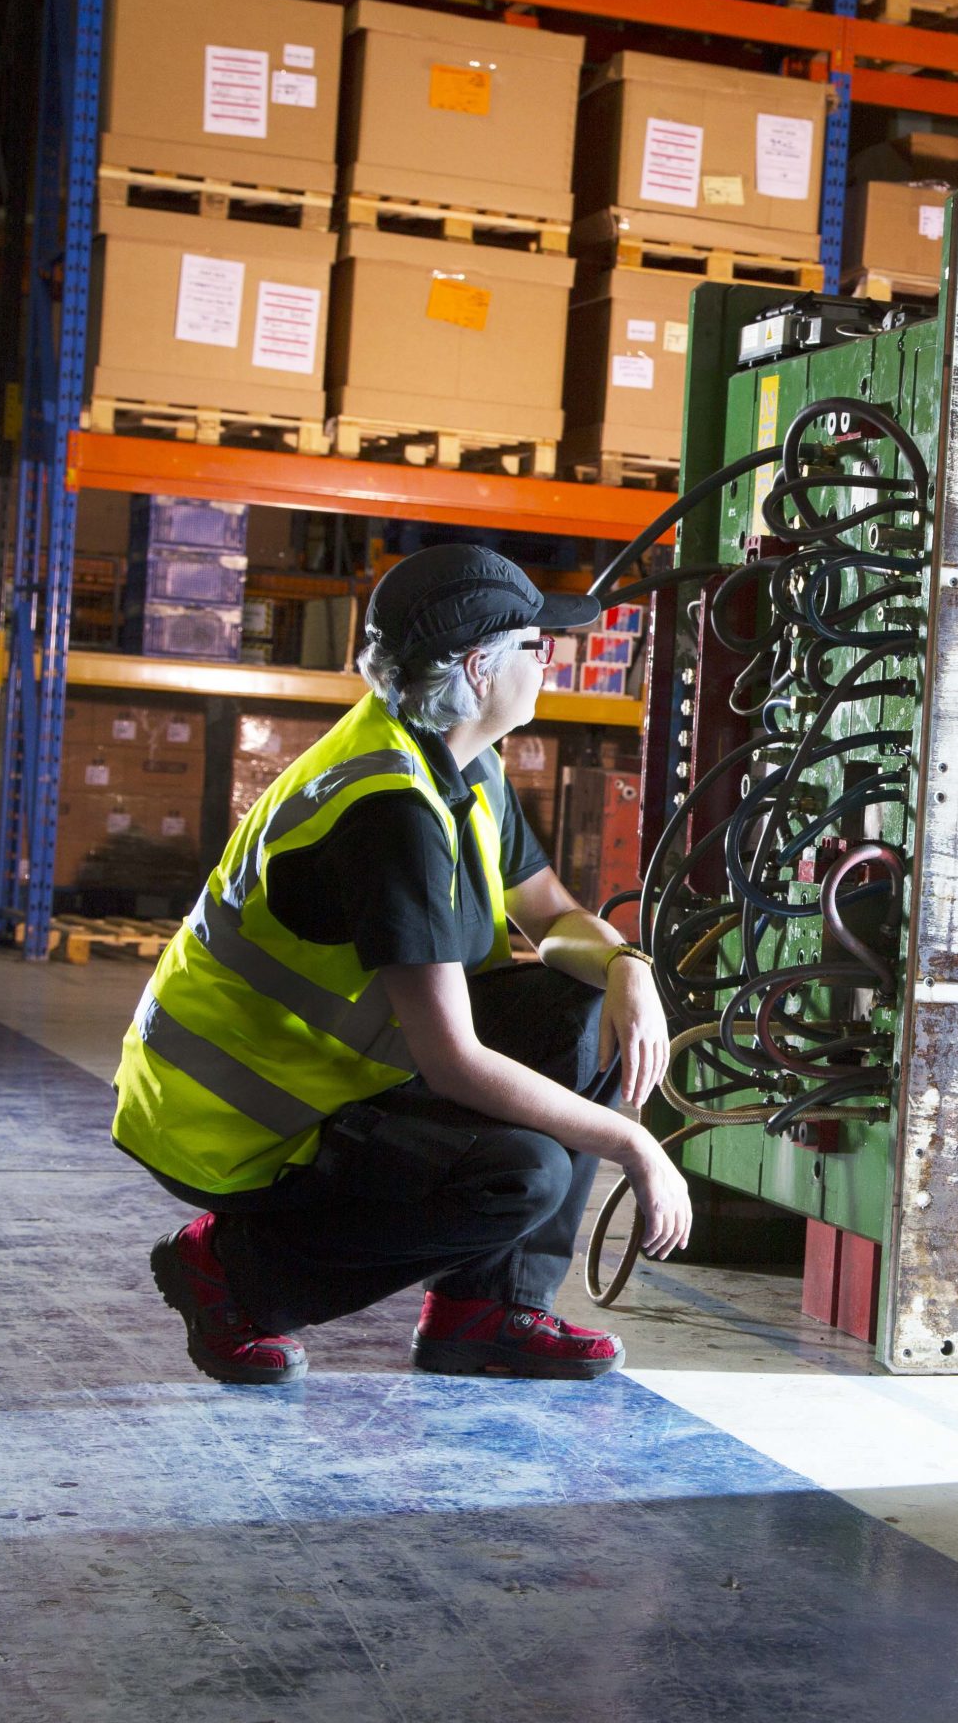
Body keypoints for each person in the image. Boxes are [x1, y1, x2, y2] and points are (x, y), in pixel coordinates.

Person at [115, 542, 692, 1386]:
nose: (553, 659)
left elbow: (554, 915)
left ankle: (483, 1311)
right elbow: (453, 1064)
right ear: (478, 668)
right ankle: (229, 1273)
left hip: (330, 1074)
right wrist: (635, 1144)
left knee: (574, 1001)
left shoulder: (460, 760)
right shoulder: (391, 812)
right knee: (517, 1177)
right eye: (537, 644)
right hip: (233, 1122)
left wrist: (626, 968)